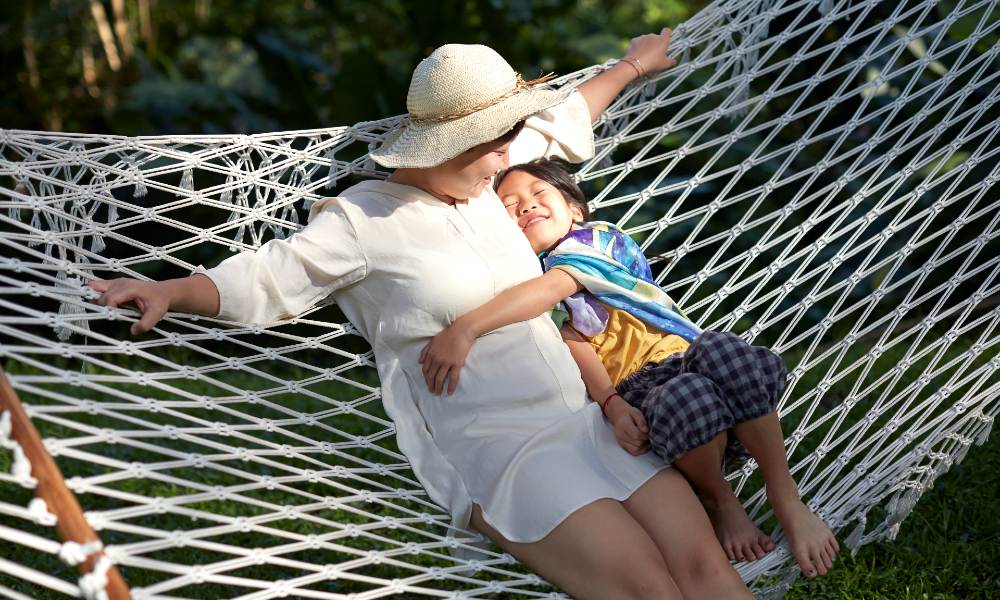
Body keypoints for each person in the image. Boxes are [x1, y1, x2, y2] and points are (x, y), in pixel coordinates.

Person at [89, 30, 759, 599]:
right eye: (497, 147)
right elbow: (270, 277)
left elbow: (564, 120)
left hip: (587, 420)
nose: (513, 164)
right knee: (650, 588)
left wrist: (633, 65)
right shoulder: (362, 221)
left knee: (706, 570)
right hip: (506, 450)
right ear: (449, 146)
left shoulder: (489, 170)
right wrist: (171, 291)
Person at [418, 158, 840, 576]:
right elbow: (574, 344)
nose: (526, 206)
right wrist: (613, 404)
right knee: (685, 396)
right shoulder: (528, 282)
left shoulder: (598, 241)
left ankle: (785, 496)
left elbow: (556, 286)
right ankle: (720, 499)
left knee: (725, 350)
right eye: (510, 206)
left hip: (693, 359)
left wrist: (468, 327)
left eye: (538, 194)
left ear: (576, 209)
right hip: (654, 404)